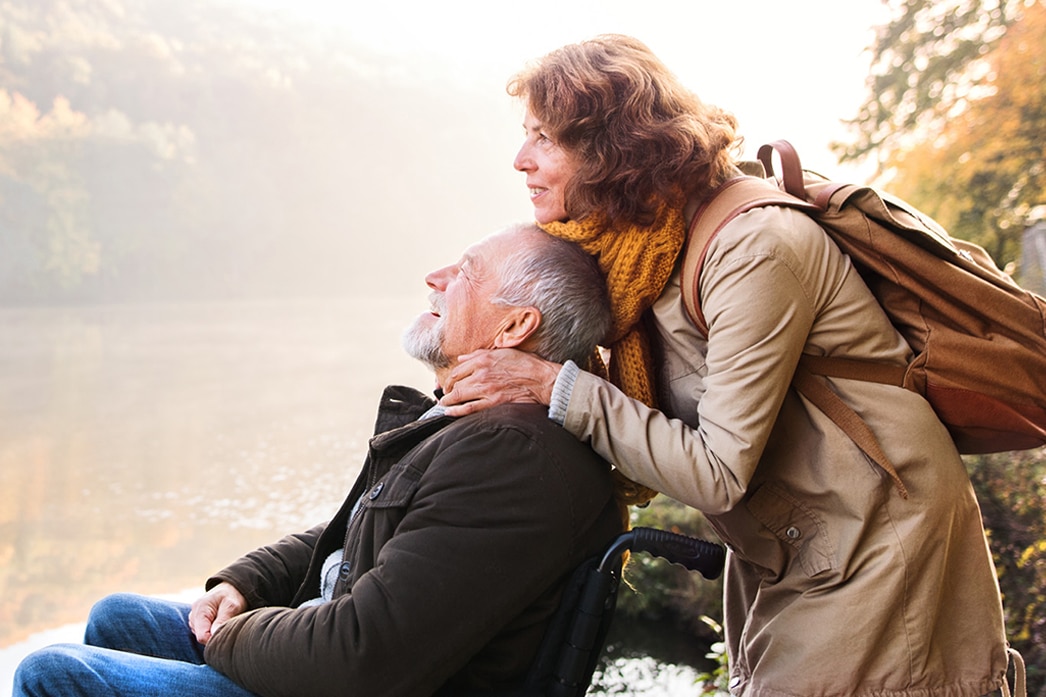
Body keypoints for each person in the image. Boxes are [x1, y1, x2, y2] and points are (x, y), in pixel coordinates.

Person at [439, 35, 1011, 697]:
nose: (520, 159)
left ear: (611, 149)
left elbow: (717, 471)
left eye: (544, 138)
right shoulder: (641, 254)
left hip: (881, 546)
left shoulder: (752, 247)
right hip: (797, 544)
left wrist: (553, 386)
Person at [13, 223, 624, 697]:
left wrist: (232, 636)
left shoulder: (511, 456)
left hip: (345, 679)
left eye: (464, 272)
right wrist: (246, 583)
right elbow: (362, 525)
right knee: (114, 617)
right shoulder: (473, 421)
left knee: (53, 674)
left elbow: (360, 658)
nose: (435, 277)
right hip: (329, 645)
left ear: (515, 325)